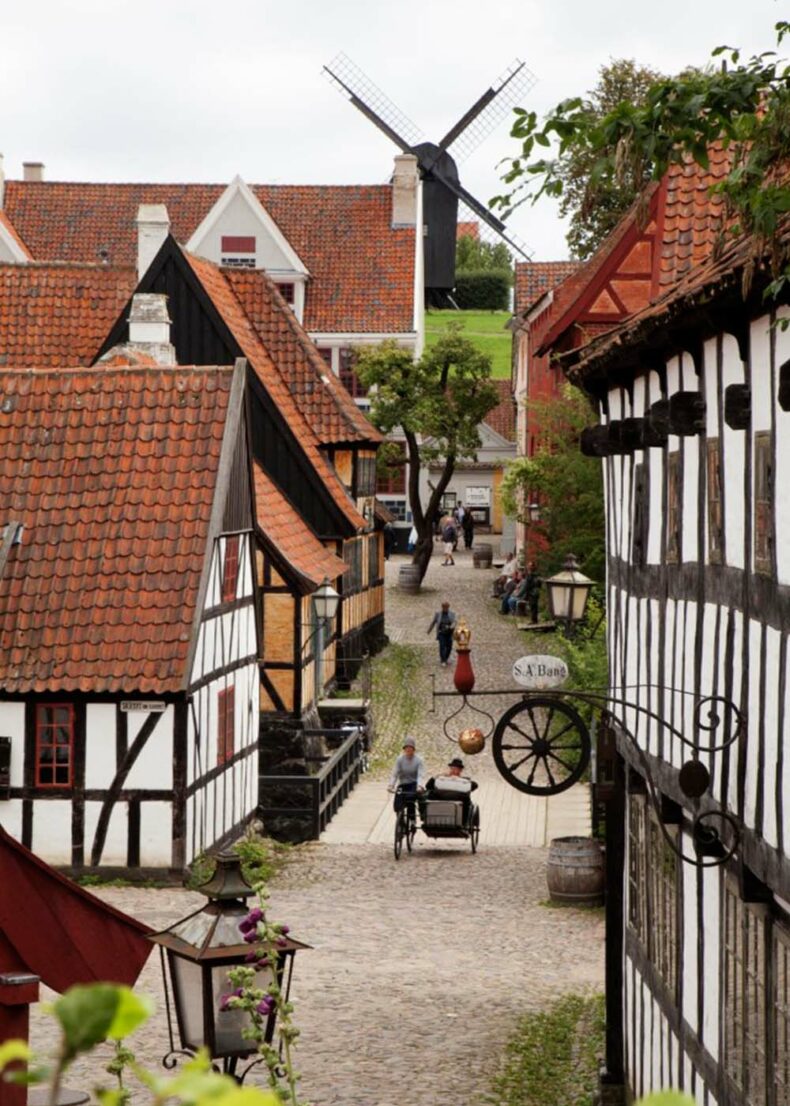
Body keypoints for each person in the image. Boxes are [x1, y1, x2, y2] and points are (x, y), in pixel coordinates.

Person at [425, 757, 479, 824]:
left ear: (460, 770)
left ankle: (462, 822)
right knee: (430, 794)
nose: (453, 771)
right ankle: (429, 818)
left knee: (466, 798)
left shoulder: (464, 780)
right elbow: (428, 786)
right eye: (452, 768)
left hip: (458, 798)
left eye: (456, 769)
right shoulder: (443, 778)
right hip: (442, 797)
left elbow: (475, 785)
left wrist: (461, 780)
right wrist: (438, 776)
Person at [387, 737, 426, 820]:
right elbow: (395, 773)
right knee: (398, 800)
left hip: (413, 784)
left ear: (413, 749)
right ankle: (400, 818)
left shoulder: (418, 760)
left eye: (410, 748)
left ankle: (412, 820)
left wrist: (419, 786)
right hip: (403, 784)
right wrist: (391, 785)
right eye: (406, 748)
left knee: (411, 799)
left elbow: (420, 775)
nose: (408, 750)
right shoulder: (400, 760)